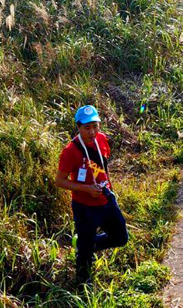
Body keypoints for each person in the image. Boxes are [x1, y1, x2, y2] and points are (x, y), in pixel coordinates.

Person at [55, 105, 129, 285]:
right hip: (84, 207)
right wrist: (87, 188)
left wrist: (110, 188)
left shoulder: (102, 139)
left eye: (95, 126)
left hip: (106, 200)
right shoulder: (70, 151)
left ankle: (85, 245)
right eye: (87, 127)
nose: (92, 131)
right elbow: (60, 181)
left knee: (120, 237)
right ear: (78, 127)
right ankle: (83, 280)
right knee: (85, 254)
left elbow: (104, 165)